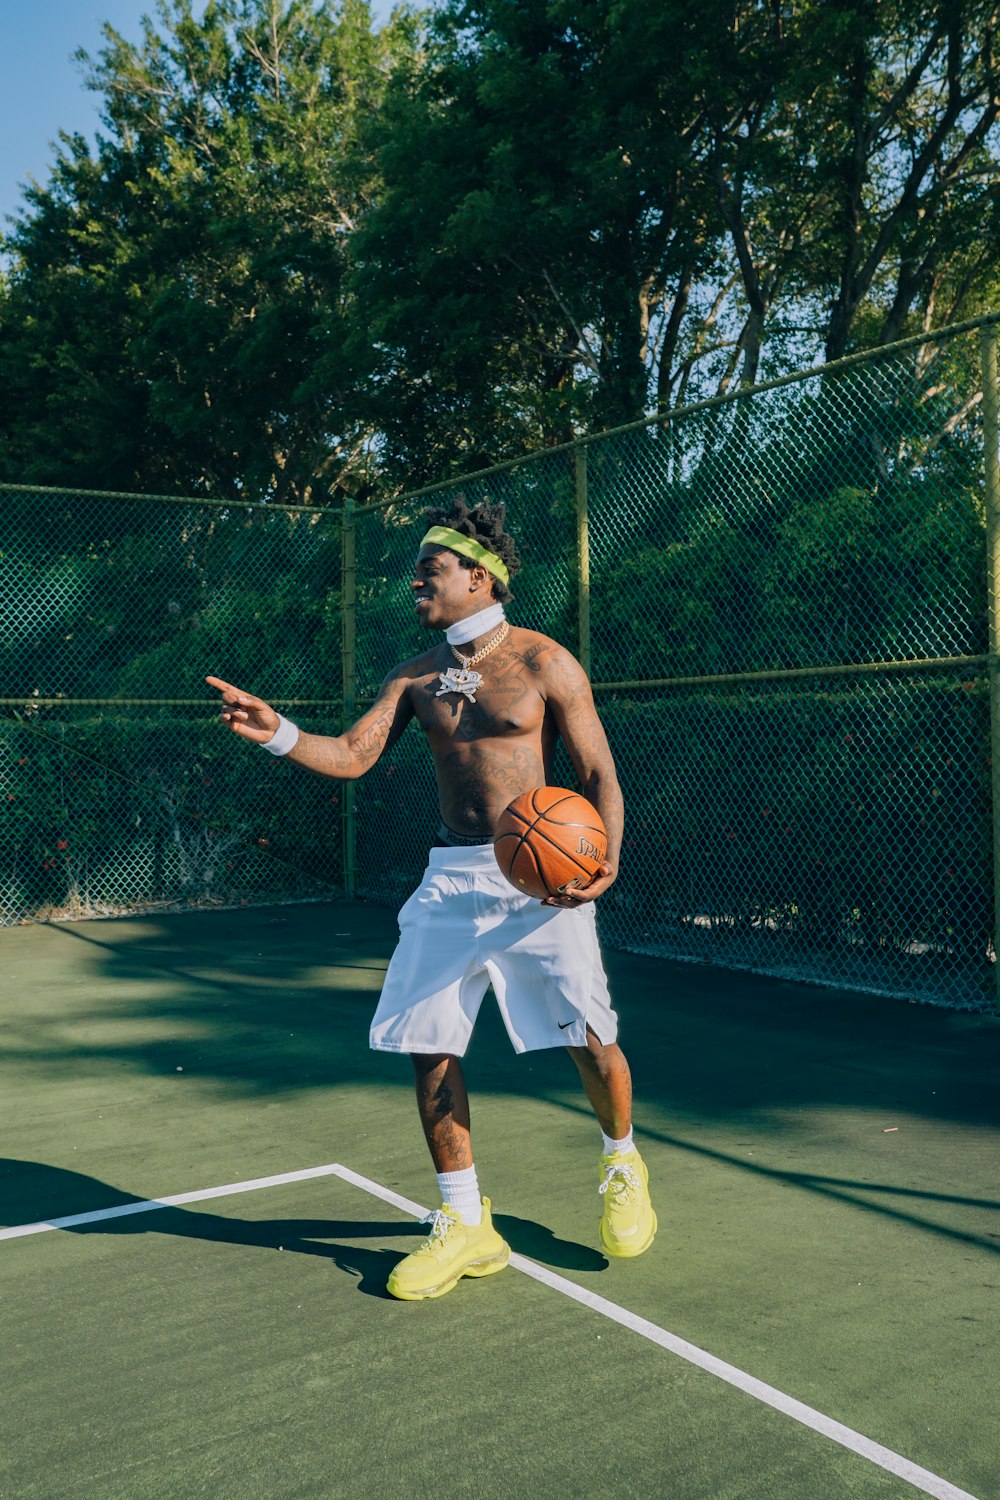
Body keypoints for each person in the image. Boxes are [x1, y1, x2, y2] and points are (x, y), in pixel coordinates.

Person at [206, 499, 655, 1300]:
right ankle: (465, 1223)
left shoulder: (548, 662)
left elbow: (598, 776)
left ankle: (622, 1160)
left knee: (588, 1039)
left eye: (431, 568)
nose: (415, 579)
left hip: (542, 880)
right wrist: (278, 731)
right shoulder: (414, 675)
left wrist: (608, 856)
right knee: (430, 1042)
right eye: (416, 569)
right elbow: (350, 755)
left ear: (479, 579)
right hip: (453, 878)